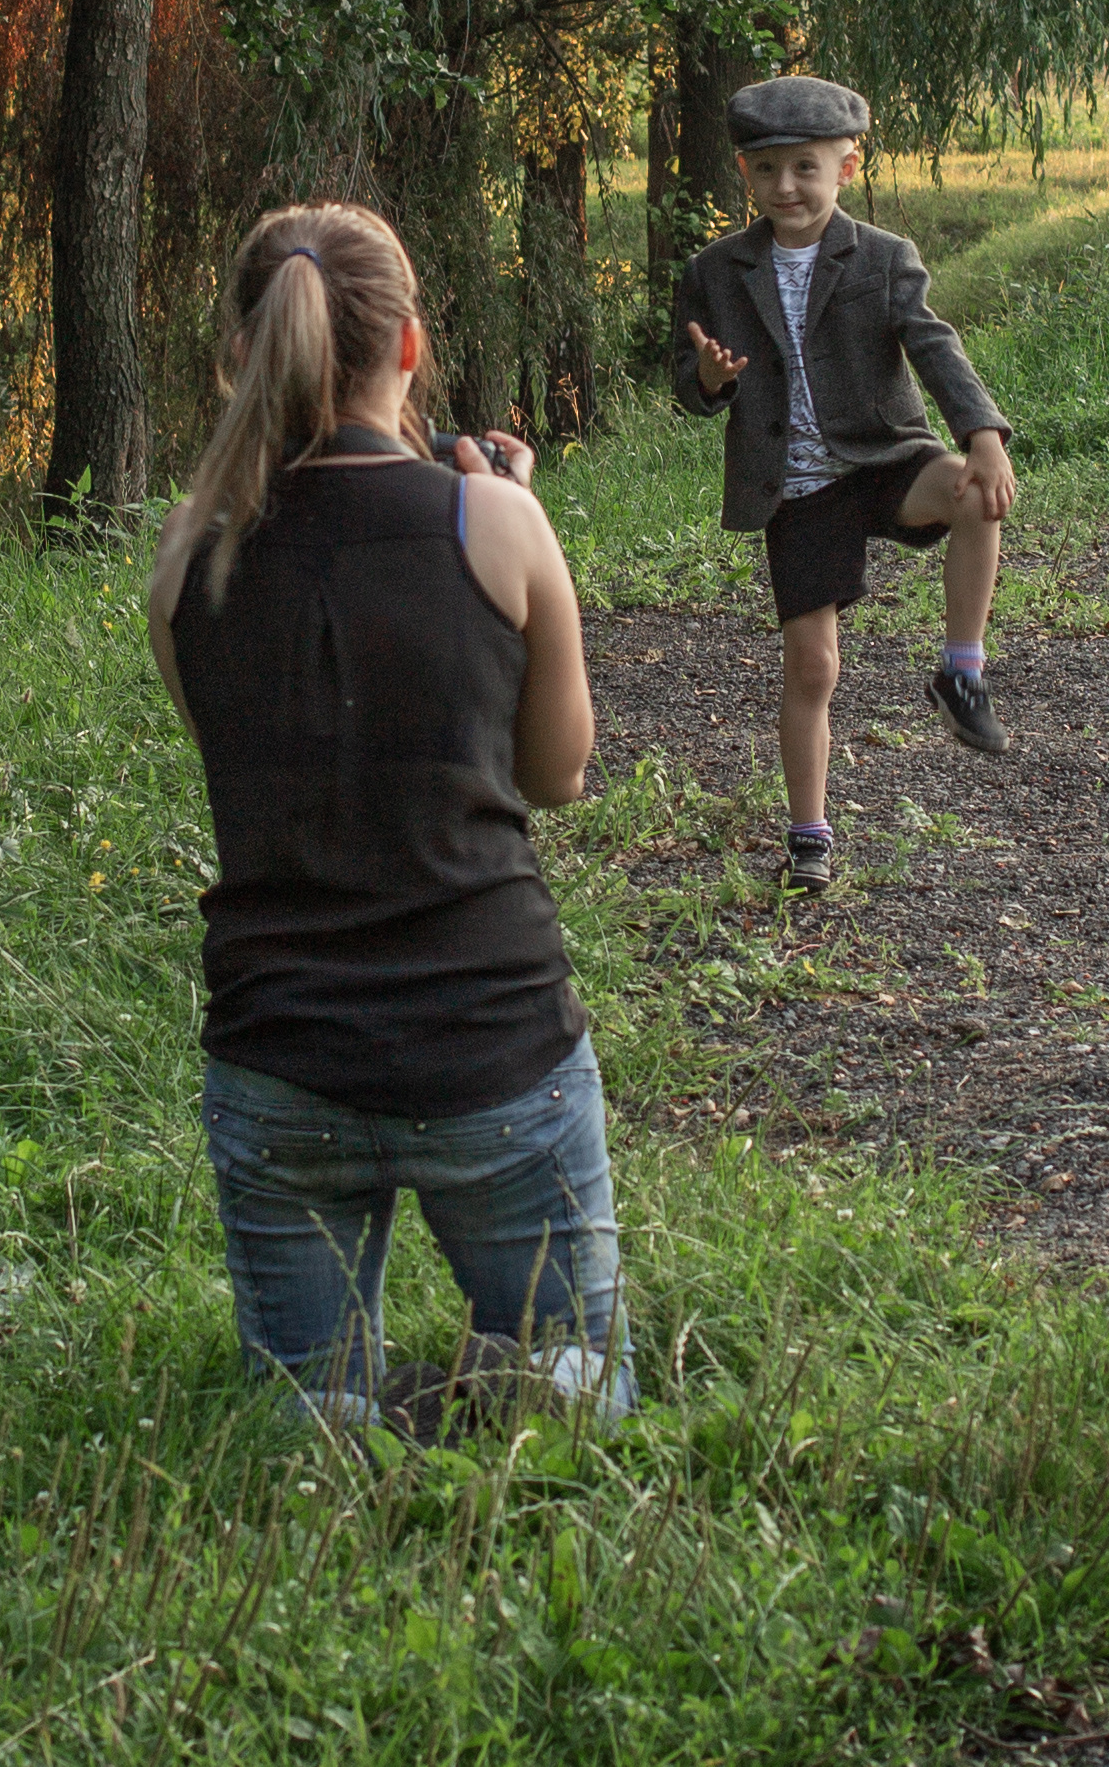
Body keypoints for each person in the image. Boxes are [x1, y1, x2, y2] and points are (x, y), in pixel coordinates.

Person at [146, 202, 633, 1433]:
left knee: (310, 1438)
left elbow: (264, 771)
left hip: (282, 1060)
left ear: (240, 355)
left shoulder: (186, 559)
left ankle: (356, 1414)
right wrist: (510, 526)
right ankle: (499, 1397)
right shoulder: (495, 521)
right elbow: (556, 773)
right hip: (493, 1043)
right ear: (408, 349)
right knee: (580, 1413)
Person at [672, 76, 1017, 894]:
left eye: (805, 168)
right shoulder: (715, 271)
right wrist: (713, 380)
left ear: (847, 167)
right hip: (797, 489)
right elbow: (685, 387)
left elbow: (937, 347)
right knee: (812, 668)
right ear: (746, 175)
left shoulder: (885, 257)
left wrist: (983, 435)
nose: (785, 187)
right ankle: (808, 836)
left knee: (975, 490)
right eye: (765, 171)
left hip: (882, 457)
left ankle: (961, 670)